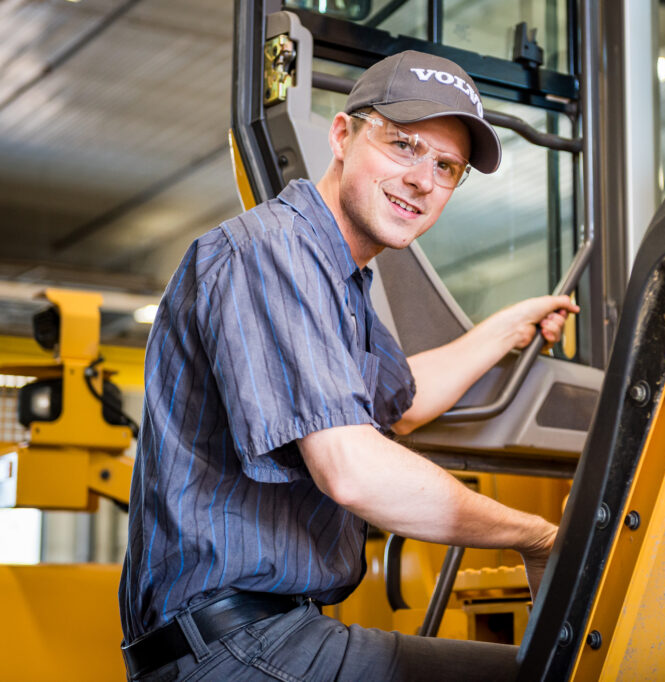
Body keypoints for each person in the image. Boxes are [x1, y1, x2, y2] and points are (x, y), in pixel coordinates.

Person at [118, 50, 578, 681]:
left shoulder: (341, 283)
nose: (422, 178)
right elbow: (353, 471)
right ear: (342, 135)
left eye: (446, 166)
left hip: (271, 634)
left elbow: (406, 404)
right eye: (404, 145)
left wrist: (509, 327)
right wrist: (537, 535)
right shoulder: (271, 251)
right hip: (236, 648)